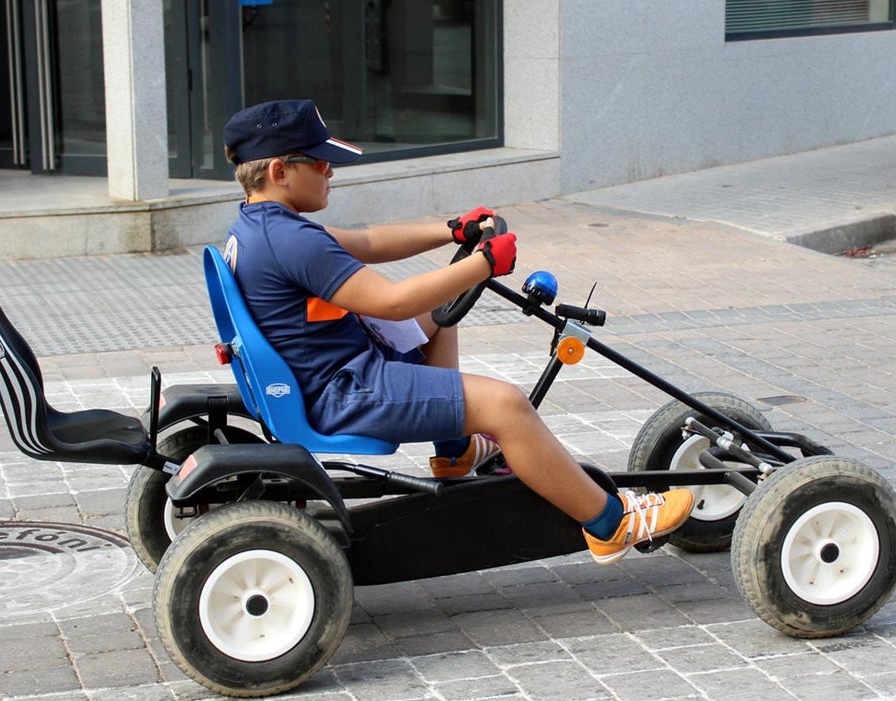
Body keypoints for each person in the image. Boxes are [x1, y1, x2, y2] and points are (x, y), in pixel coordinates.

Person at [221, 99, 693, 564]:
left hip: (329, 373)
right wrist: (485, 264)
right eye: (322, 163)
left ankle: (455, 448)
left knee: (441, 317)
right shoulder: (291, 240)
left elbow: (367, 243)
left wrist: (451, 231)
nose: (331, 172)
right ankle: (611, 524)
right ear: (280, 171)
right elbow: (393, 300)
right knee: (506, 405)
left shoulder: (262, 226)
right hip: (344, 390)